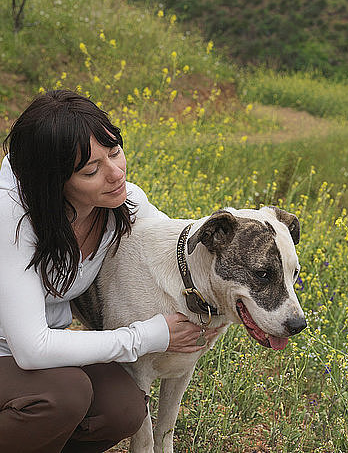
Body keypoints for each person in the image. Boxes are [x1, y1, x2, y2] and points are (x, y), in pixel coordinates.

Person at [0, 90, 205, 453]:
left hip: (39, 352)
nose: (115, 173)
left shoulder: (123, 202)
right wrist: (146, 336)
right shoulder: (12, 218)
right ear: (53, 181)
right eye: (91, 170)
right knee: (64, 396)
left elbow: (176, 244)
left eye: (115, 152)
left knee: (123, 407)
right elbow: (33, 349)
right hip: (15, 352)